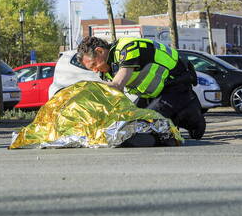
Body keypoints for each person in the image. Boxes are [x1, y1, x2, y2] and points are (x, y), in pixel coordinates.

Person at [77, 36, 206, 140]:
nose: (95, 71)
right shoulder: (106, 70)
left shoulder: (127, 48)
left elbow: (117, 85)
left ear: (100, 51)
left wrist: (86, 88)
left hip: (175, 84)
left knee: (145, 126)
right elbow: (118, 99)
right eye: (91, 68)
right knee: (132, 124)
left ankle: (191, 113)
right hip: (152, 93)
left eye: (94, 64)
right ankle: (174, 119)